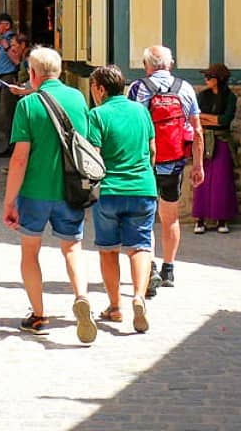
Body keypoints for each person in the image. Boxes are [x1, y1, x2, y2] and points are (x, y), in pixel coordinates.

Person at [2, 45, 97, 344]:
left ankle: (39, 314)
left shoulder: (28, 106)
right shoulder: (78, 98)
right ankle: (81, 296)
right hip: (71, 189)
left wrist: (9, 201)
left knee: (30, 251)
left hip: (35, 191)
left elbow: (19, 158)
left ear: (32, 73)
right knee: (73, 248)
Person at [128, 45, 204, 294]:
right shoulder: (185, 88)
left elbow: (130, 128)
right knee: (170, 218)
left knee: (145, 218)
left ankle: (148, 267)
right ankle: (168, 269)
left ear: (146, 65)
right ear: (170, 64)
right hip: (174, 162)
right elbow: (197, 130)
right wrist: (199, 164)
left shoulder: (138, 89)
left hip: (145, 164)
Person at [87, 65, 157, 334]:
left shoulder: (97, 115)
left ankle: (115, 306)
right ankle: (138, 297)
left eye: (93, 87)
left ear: (101, 88)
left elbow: (93, 155)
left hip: (110, 190)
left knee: (108, 249)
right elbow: (152, 149)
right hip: (142, 188)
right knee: (140, 246)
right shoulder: (140, 110)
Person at [193, 63, 238, 234]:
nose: (206, 80)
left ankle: (222, 219)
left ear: (218, 80)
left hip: (222, 141)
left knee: (222, 180)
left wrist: (209, 119)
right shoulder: (202, 96)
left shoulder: (230, 97)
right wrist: (212, 119)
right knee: (201, 179)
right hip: (204, 141)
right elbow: (196, 118)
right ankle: (200, 219)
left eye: (209, 77)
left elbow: (225, 120)